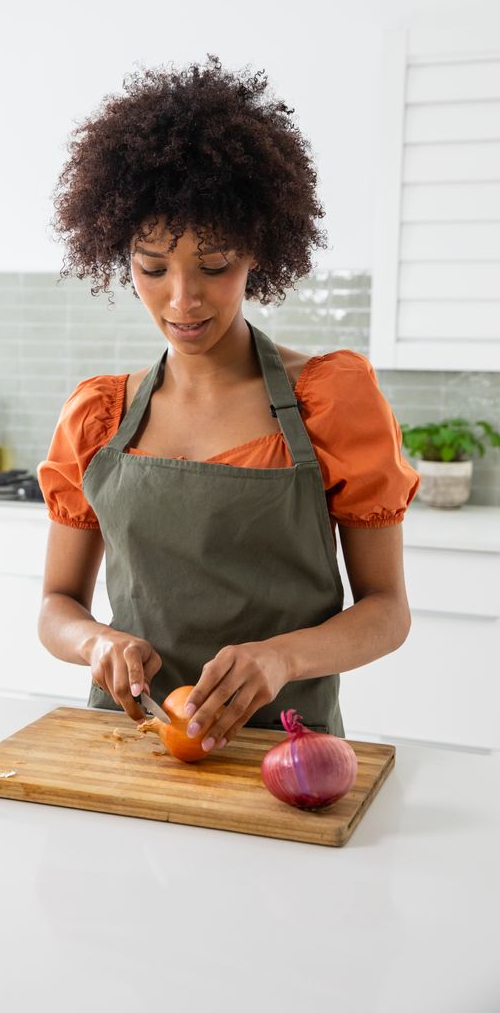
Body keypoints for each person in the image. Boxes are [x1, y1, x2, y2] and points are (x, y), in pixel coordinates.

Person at [36, 54, 419, 751]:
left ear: (257, 254)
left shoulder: (330, 400)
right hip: (126, 749)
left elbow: (388, 612)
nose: (182, 300)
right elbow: (56, 607)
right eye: (152, 268)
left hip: (283, 754)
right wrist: (95, 643)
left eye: (214, 267)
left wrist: (282, 658)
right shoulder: (99, 415)